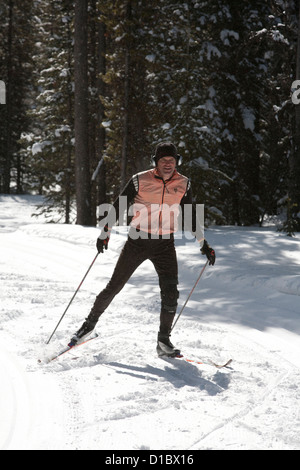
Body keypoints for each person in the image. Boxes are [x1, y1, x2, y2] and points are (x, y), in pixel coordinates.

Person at [69, 142, 215, 357]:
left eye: (171, 161)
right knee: (114, 286)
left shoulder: (184, 183)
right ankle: (88, 326)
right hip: (137, 241)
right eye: (163, 160)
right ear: (155, 161)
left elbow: (191, 215)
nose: (167, 164)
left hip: (165, 244)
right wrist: (105, 231)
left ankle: (164, 341)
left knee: (171, 293)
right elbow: (119, 205)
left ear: (177, 162)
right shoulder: (140, 179)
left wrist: (204, 244)